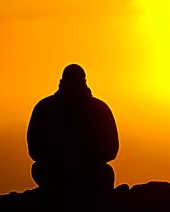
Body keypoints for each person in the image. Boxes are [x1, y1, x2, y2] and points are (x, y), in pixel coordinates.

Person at [27, 64, 119, 193]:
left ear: (61, 82)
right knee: (39, 168)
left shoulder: (44, 107)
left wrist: (83, 161)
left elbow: (112, 150)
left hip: (89, 173)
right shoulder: (100, 108)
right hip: (56, 172)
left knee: (105, 172)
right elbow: (34, 150)